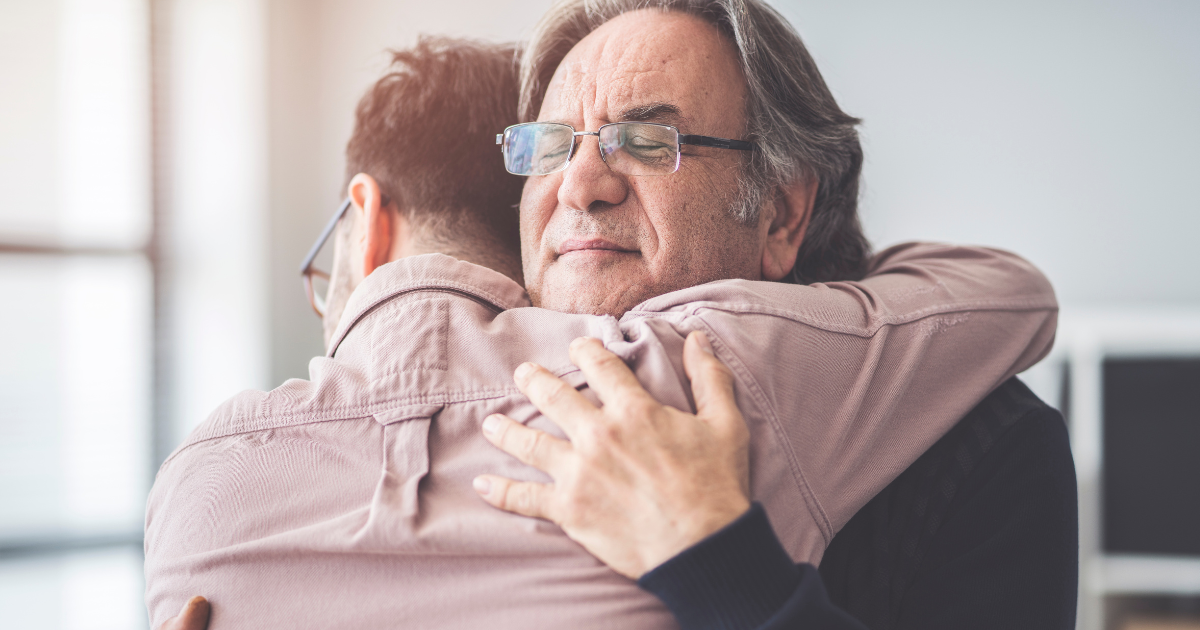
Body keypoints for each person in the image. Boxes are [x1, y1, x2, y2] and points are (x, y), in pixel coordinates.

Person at [147, 12, 1070, 630]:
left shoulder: (978, 439)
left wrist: (717, 559)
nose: (580, 185)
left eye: (646, 138)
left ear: (783, 215)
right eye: (551, 146)